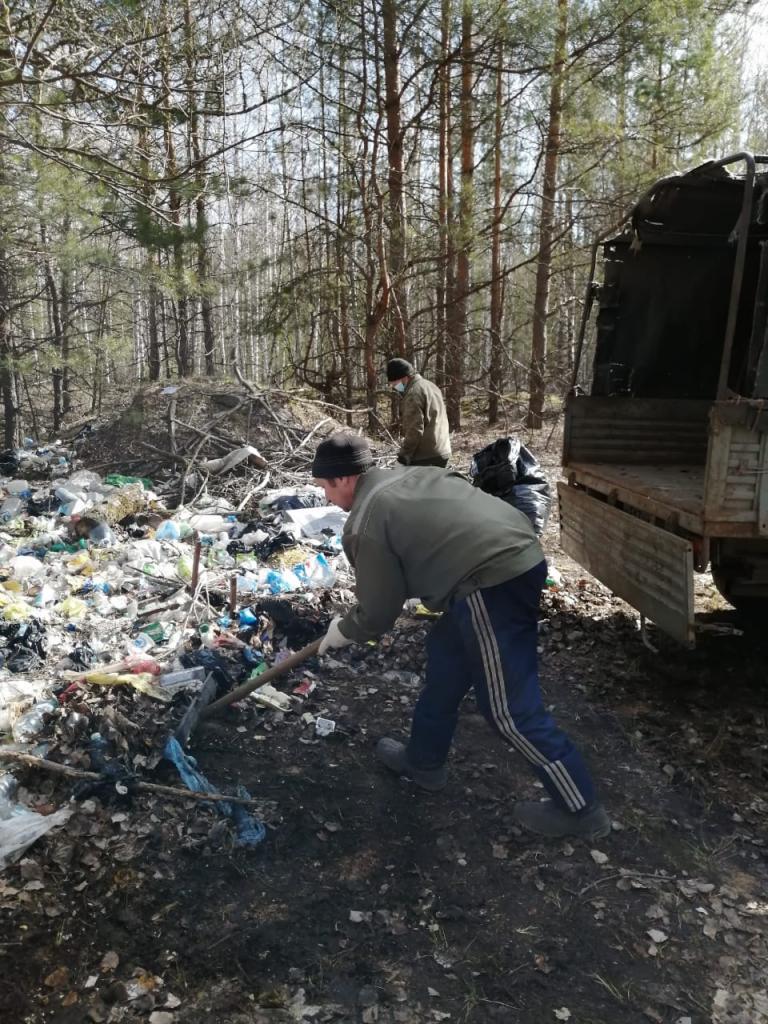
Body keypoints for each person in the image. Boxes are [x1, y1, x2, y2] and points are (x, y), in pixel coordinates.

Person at [312, 432, 609, 841]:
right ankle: (424, 761)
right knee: (447, 659)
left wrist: (343, 630)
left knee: (508, 710)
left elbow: (379, 612)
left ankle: (581, 809)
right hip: (511, 557)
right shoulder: (413, 475)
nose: (327, 498)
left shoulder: (367, 519)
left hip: (491, 581)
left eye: (325, 487)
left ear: (344, 479)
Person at [386, 358, 451, 468]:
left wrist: (403, 457)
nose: (394, 386)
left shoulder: (413, 393)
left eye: (394, 383)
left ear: (404, 378)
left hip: (425, 457)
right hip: (443, 450)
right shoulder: (431, 386)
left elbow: (414, 429)